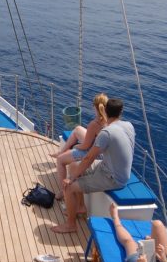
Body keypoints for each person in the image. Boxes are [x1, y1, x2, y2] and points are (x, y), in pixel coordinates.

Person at [53, 97, 135, 233]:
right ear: (121, 112)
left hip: (112, 177)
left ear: (105, 111)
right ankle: (80, 207)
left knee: (68, 187)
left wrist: (71, 178)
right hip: (110, 168)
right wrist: (75, 173)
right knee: (73, 166)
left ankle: (71, 225)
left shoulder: (106, 133)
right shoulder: (129, 126)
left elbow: (89, 158)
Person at [49, 93, 109, 199]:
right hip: (102, 151)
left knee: (60, 160)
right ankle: (61, 151)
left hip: (94, 154)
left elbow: (85, 146)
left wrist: (76, 147)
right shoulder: (109, 121)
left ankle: (64, 191)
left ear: (95, 107)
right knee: (77, 129)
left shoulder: (94, 124)